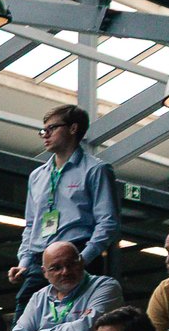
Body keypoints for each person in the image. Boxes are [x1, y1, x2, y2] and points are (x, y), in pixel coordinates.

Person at [10, 102, 120, 305]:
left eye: (51, 128)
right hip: (41, 260)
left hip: (76, 255)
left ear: (73, 128)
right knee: (24, 311)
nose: (45, 135)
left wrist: (83, 259)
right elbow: (31, 225)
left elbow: (108, 222)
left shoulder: (95, 170)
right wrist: (24, 262)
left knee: (75, 316)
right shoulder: (37, 176)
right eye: (43, 130)